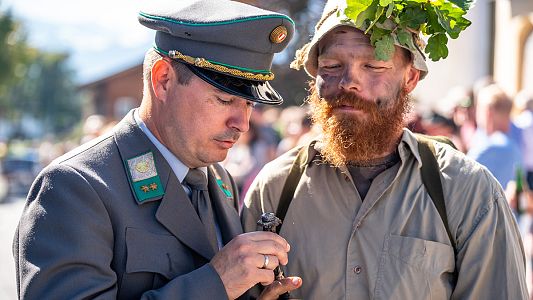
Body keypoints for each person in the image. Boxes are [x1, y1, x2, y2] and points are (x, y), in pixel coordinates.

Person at [13, 1, 302, 299]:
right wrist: (217, 282)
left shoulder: (218, 179)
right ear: (163, 80)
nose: (242, 123)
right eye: (224, 100)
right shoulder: (76, 187)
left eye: (249, 104)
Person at [241, 0, 528, 299]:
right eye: (331, 66)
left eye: (374, 65)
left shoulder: (467, 191)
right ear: (315, 79)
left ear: (410, 78)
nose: (349, 82)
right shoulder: (275, 190)